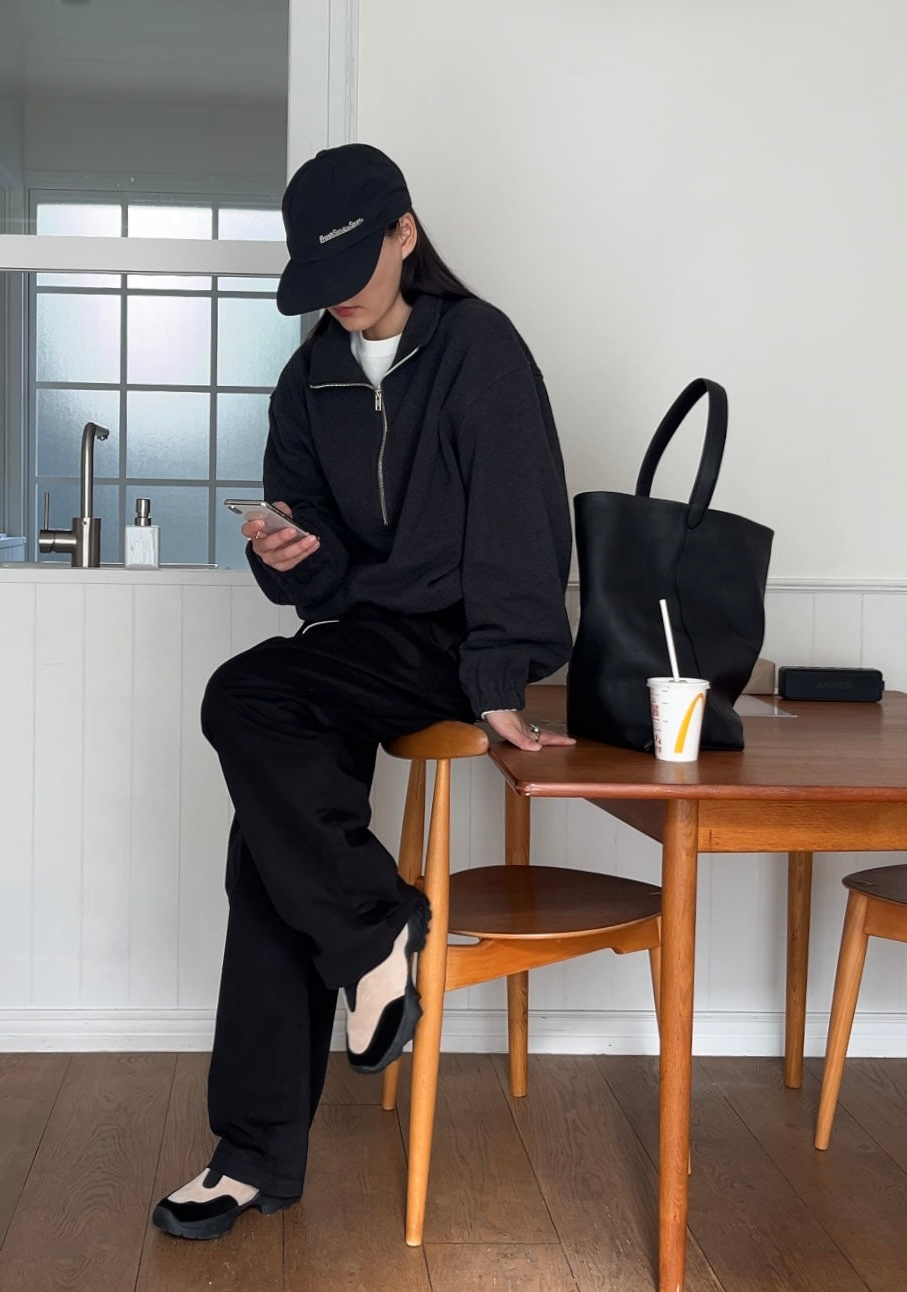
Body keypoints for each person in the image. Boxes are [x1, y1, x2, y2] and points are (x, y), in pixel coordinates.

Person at [152, 143, 574, 1242]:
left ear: (404, 233)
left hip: (450, 644)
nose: (336, 296)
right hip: (354, 636)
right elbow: (318, 565)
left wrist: (497, 677)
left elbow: (522, 524)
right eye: (318, 277)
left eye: (353, 266)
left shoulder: (480, 351)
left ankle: (368, 943)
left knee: (243, 703)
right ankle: (264, 1133)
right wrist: (288, 554)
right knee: (273, 835)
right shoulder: (311, 379)